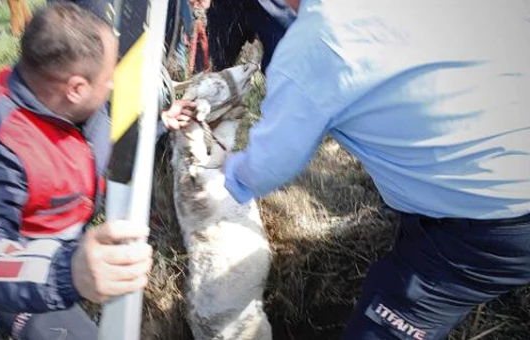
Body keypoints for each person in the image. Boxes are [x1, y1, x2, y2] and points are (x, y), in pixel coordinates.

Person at [222, 0, 530, 339]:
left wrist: (221, 171)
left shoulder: (319, 42)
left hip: (491, 225)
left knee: (382, 329)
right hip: (502, 170)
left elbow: (267, 167)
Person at [0, 3, 193, 339]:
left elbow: (110, 139)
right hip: (23, 272)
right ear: (77, 88)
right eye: (111, 76)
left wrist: (160, 124)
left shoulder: (77, 102)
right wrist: (67, 271)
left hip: (70, 244)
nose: (114, 85)